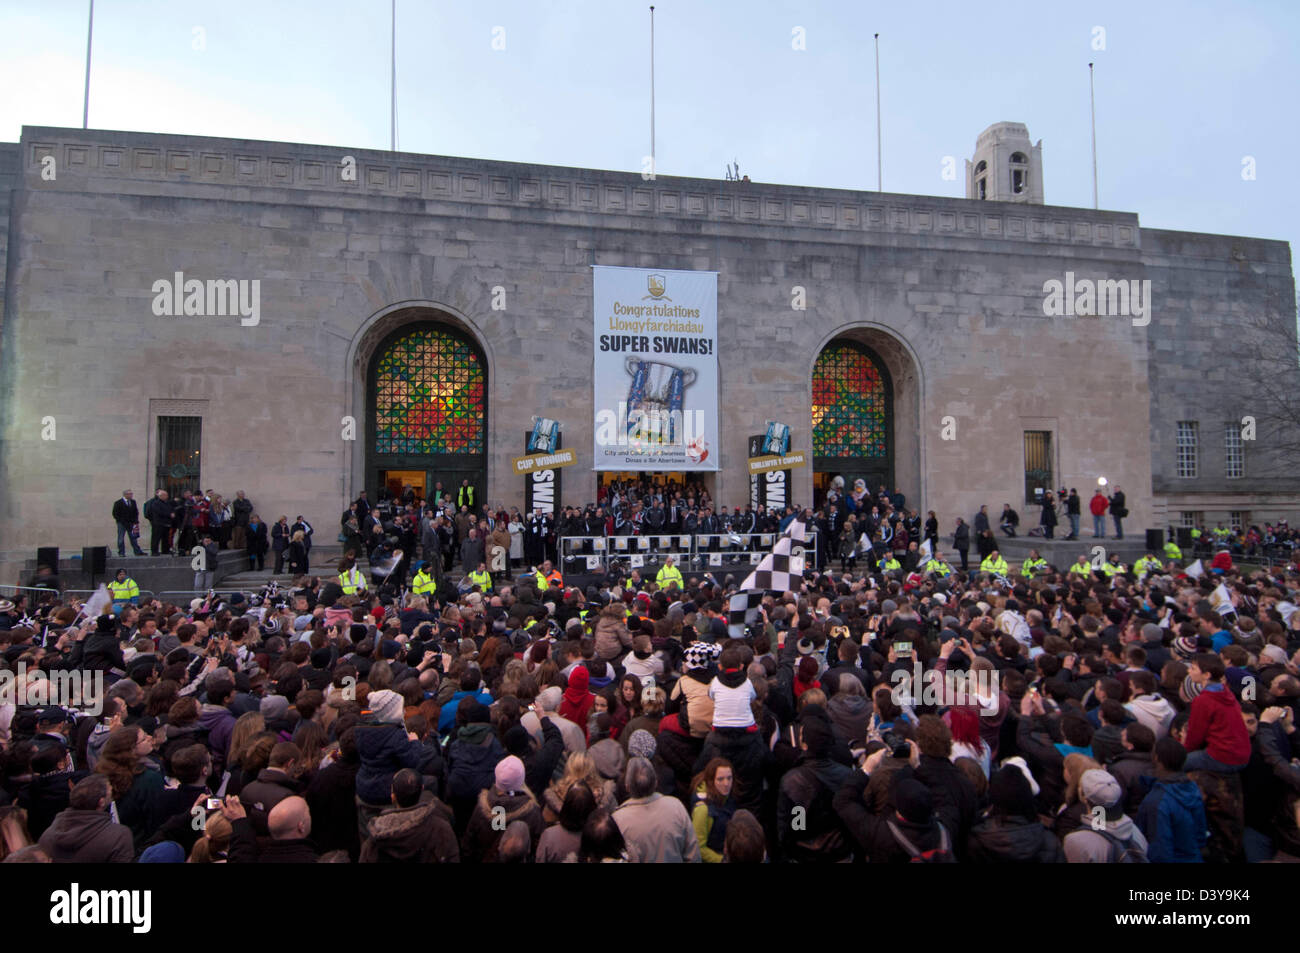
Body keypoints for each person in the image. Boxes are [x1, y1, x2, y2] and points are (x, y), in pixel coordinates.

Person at [612, 757, 701, 863]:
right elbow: (693, 855)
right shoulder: (676, 806)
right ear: (656, 783)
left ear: (627, 787)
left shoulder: (617, 820)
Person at [1136, 737, 1208, 862]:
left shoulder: (1157, 801)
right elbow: (1200, 836)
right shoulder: (1192, 788)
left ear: (1157, 758)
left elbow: (1160, 850)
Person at [1182, 653, 1251, 773]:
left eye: (1193, 668)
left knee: (1176, 765)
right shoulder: (1226, 692)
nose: (1188, 671)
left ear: (1207, 675)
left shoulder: (1203, 700)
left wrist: (1184, 752)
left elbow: (1195, 734)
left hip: (1223, 756)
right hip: (1242, 754)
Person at [690, 757, 736, 863]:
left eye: (729, 778)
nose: (726, 783)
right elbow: (699, 847)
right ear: (711, 781)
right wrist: (721, 860)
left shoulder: (728, 798)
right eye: (720, 779)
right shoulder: (703, 809)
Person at [112, 490, 146, 557]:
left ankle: (137, 551)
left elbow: (136, 512)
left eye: (131, 494)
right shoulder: (118, 503)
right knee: (121, 538)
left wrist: (135, 521)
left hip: (131, 523)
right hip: (122, 523)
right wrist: (120, 520)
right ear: (125, 495)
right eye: (129, 494)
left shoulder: (133, 502)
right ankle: (121, 552)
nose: (131, 495)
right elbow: (115, 513)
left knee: (133, 538)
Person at [144, 488, 172, 555]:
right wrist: (169, 514)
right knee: (156, 538)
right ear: (161, 496)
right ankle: (154, 551)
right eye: (165, 495)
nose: (167, 497)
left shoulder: (166, 503)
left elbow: (170, 509)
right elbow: (159, 512)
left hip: (166, 523)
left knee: (165, 538)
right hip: (158, 523)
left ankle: (165, 550)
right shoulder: (155, 503)